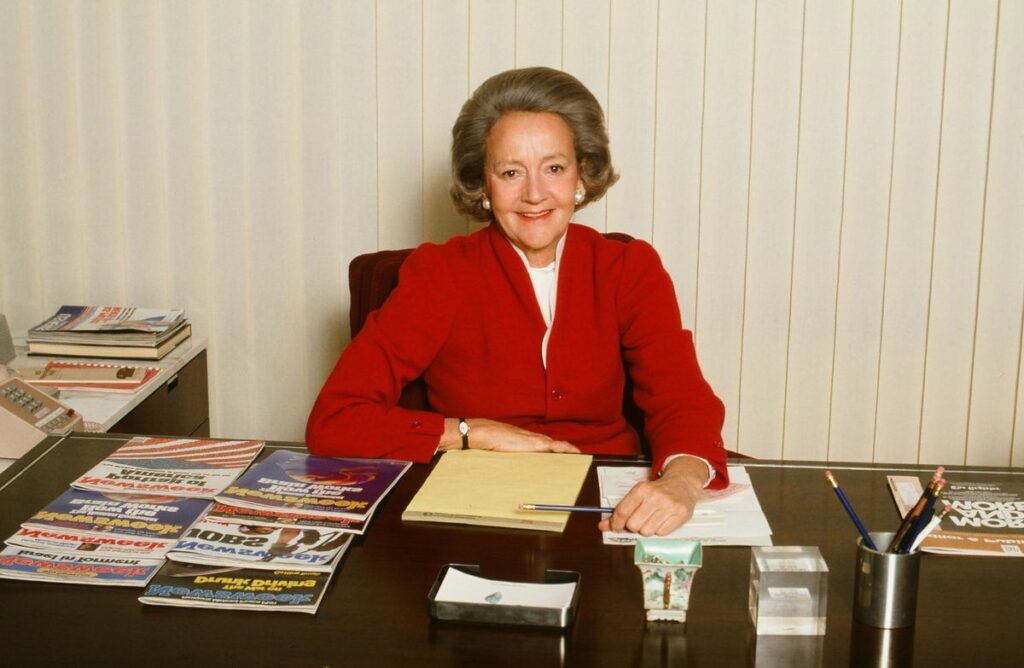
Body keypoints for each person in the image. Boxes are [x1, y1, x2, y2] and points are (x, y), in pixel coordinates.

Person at [306, 67, 728, 536]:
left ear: (582, 175)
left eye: (554, 168)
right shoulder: (439, 274)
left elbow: (683, 399)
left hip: (610, 503)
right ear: (483, 186)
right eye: (510, 172)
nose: (534, 195)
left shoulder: (629, 268)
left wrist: (683, 482)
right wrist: (472, 433)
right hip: (477, 509)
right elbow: (336, 420)